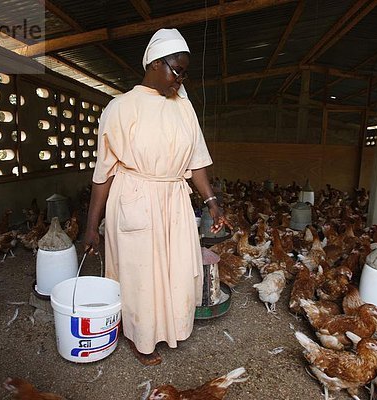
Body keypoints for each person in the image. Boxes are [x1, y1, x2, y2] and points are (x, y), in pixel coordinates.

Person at [83, 28, 230, 366]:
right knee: (139, 275)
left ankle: (171, 328)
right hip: (134, 195)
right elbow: (102, 175)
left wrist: (212, 203)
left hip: (174, 201)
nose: (180, 80)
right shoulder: (120, 108)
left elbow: (195, 164)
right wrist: (92, 227)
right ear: (153, 63)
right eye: (176, 70)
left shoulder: (184, 109)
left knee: (176, 269)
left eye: (184, 72)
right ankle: (141, 338)